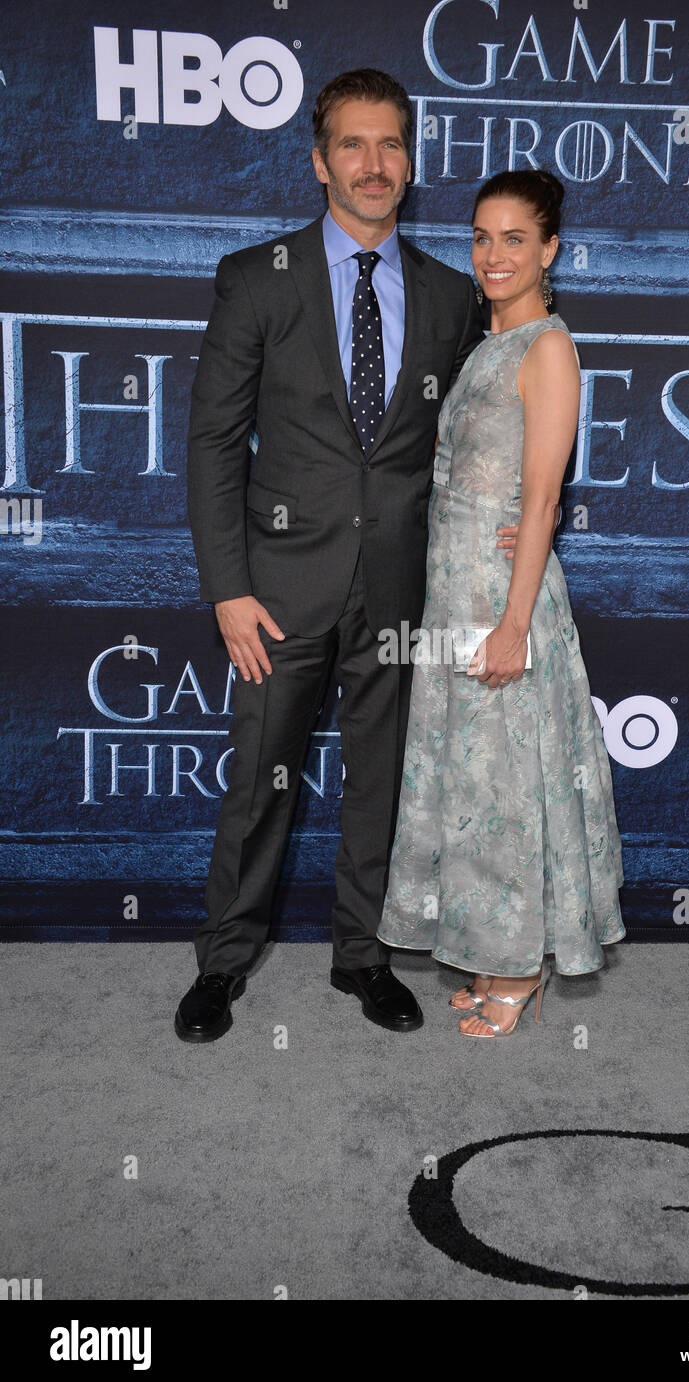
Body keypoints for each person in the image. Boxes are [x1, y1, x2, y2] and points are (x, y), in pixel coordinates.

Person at [175, 70, 520, 1042]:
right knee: (259, 779)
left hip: (405, 586)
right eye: (355, 145)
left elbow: (469, 435)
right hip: (279, 587)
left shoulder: (453, 295)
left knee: (386, 781)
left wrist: (514, 516)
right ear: (318, 161)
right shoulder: (256, 278)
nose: (376, 165)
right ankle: (223, 960)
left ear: (411, 162)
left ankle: (362, 956)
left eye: (393, 145)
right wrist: (228, 589)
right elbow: (211, 443)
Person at [377, 169, 626, 1037]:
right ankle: (491, 953)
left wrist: (515, 623)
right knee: (472, 787)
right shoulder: (487, 343)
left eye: (514, 238)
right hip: (454, 596)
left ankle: (518, 970)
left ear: (550, 248)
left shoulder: (547, 348)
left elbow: (543, 501)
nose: (493, 255)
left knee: (508, 785)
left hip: (498, 602)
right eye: (481, 237)